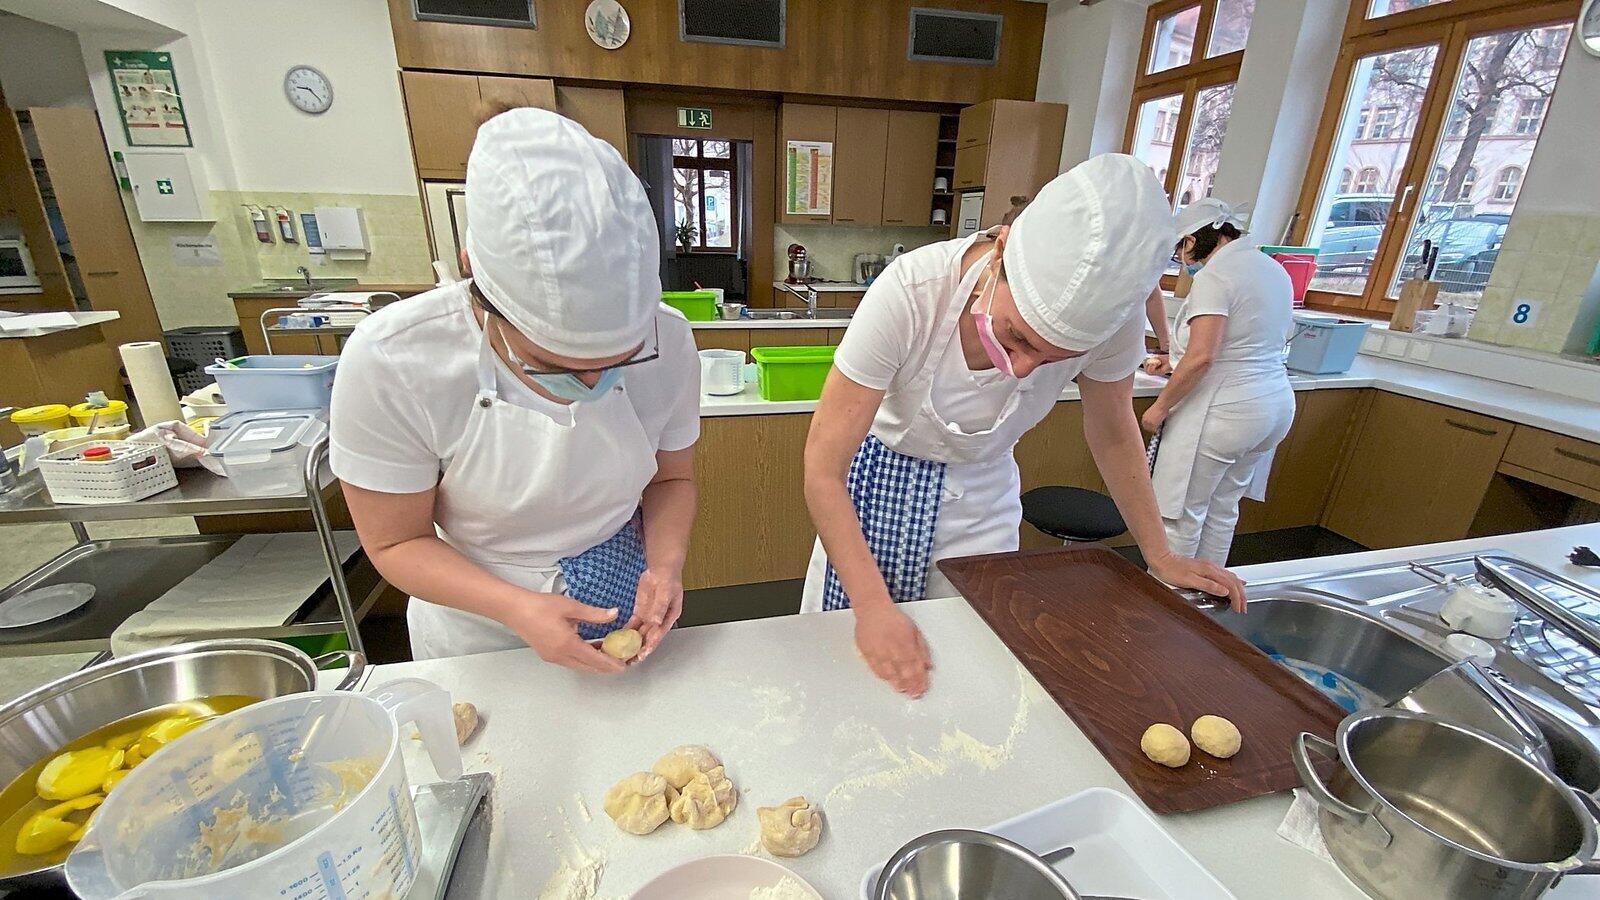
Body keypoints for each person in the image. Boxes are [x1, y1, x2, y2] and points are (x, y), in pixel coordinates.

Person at [802, 154, 1248, 698]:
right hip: (871, 498)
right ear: (1001, 251)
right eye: (1016, 336)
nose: (1020, 369)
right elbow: (823, 468)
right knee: (850, 682)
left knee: (968, 676)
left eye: (1053, 358)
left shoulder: (1113, 323)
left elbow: (1112, 431)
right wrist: (871, 606)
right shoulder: (913, 292)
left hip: (981, 504)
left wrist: (1159, 553)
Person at [328, 108, 700, 666]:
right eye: (553, 364)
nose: (594, 382)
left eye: (620, 359)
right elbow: (395, 542)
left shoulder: (668, 340)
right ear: (475, 281)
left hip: (622, 589)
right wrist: (517, 607)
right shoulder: (394, 360)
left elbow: (672, 478)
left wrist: (664, 565)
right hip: (478, 628)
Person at [1142, 198, 1296, 564]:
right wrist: (1172, 362)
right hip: (1273, 405)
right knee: (1222, 510)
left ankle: (1164, 610)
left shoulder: (1215, 276)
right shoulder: (1270, 268)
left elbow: (1204, 356)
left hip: (1225, 411)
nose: (1181, 262)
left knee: (1179, 517)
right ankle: (1205, 603)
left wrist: (1159, 409)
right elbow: (1239, 344)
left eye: (1179, 251)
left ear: (1190, 243)